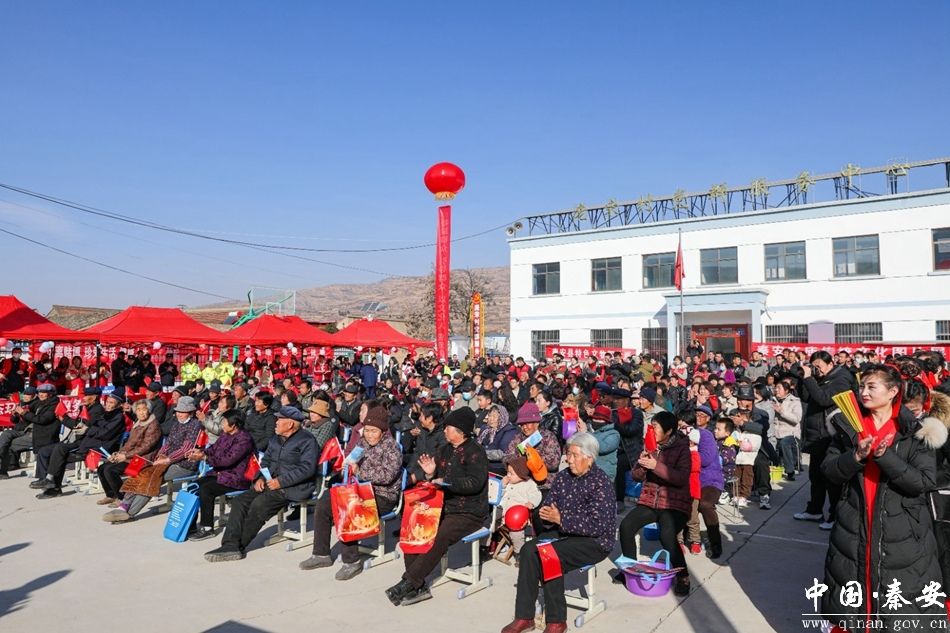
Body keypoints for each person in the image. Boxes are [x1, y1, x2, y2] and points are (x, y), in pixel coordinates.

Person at [819, 364, 945, 629]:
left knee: (898, 602)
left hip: (903, 532)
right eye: (861, 386)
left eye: (871, 386)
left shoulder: (914, 431)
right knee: (854, 594)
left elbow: (922, 482)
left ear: (893, 391)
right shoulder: (848, 426)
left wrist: (885, 457)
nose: (863, 392)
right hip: (854, 524)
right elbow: (829, 472)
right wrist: (855, 456)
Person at [501, 432, 615, 633]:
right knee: (528, 551)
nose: (568, 459)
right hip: (563, 532)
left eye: (574, 455)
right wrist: (545, 514)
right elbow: (550, 505)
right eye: (568, 454)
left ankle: (557, 621)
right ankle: (524, 617)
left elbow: (598, 525)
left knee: (549, 554)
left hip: (595, 541)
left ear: (589, 458)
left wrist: (561, 519)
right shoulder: (563, 477)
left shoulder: (601, 482)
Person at [385, 408, 488, 607]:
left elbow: (475, 483)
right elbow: (435, 474)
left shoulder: (476, 452)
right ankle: (419, 586)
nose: (445, 430)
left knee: (441, 536)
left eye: (449, 427)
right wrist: (431, 474)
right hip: (443, 505)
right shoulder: (445, 450)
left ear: (460, 431)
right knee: (415, 527)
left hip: (469, 511)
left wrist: (448, 482)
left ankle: (409, 582)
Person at [299, 406, 402, 580]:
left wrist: (359, 472)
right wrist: (345, 466)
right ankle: (321, 554)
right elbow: (352, 460)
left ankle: (351, 561)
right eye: (367, 430)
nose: (369, 435)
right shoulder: (363, 442)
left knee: (348, 507)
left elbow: (387, 476)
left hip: (382, 495)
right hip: (358, 488)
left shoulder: (392, 447)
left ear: (383, 431)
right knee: (324, 503)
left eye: (373, 431)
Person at [204, 406, 318, 562]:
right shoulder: (275, 439)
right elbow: (266, 461)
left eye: (279, 419)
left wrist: (280, 482)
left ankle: (238, 546)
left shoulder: (307, 441)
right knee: (239, 501)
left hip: (293, 487)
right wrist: (260, 478)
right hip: (270, 483)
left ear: (290, 424)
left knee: (259, 504)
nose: (276, 422)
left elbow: (307, 469)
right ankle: (229, 544)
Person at [616, 411, 692, 596]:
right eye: (651, 427)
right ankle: (630, 569)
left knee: (667, 535)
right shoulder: (650, 445)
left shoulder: (682, 449)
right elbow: (635, 476)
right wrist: (642, 465)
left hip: (674, 504)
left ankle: (683, 576)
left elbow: (681, 478)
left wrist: (656, 466)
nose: (651, 430)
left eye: (655, 427)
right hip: (650, 501)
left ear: (669, 431)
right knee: (626, 526)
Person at [103, 396, 202, 522]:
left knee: (152, 479)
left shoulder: (194, 425)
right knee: (140, 473)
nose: (179, 414)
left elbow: (185, 449)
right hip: (161, 460)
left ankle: (130, 513)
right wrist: (161, 455)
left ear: (191, 412)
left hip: (184, 464)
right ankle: (124, 506)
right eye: (178, 411)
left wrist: (167, 459)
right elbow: (168, 444)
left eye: (183, 412)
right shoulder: (176, 424)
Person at [798, 350, 857, 530]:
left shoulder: (841, 379)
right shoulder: (819, 378)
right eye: (814, 367)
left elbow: (823, 399)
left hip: (831, 436)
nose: (817, 370)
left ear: (831, 364)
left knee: (832, 478)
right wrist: (804, 378)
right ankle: (814, 510)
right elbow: (806, 397)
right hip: (817, 435)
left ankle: (834, 516)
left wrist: (810, 379)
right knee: (815, 476)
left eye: (819, 367)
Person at [33, 388, 126, 499]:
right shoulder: (105, 414)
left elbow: (104, 433)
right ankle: (51, 484)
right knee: (57, 454)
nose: (108, 405)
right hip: (88, 444)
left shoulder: (116, 416)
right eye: (107, 402)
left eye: (111, 403)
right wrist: (85, 426)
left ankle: (52, 484)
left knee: (60, 452)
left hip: (98, 448)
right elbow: (89, 427)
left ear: (118, 404)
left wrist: (86, 429)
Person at [186, 409, 255, 540]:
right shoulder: (225, 434)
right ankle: (190, 524)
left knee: (206, 490)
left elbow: (228, 460)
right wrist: (201, 452)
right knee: (193, 486)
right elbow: (213, 449)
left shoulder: (244, 440)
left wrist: (204, 458)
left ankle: (207, 528)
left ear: (233, 425)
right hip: (221, 473)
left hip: (236, 477)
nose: (221, 424)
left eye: (224, 422)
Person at [96, 399, 162, 506]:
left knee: (110, 470)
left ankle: (122, 498)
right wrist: (118, 454)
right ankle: (111, 495)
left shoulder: (153, 424)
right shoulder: (138, 423)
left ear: (149, 410)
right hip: (131, 456)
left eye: (144, 409)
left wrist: (125, 456)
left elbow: (145, 447)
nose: (141, 412)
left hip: (143, 459)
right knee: (102, 468)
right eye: (138, 410)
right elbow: (130, 444)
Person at [495, 454, 541, 561]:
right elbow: (497, 495)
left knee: (516, 534)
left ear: (521, 474)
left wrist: (532, 503)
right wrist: (502, 486)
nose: (508, 475)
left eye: (511, 473)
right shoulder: (507, 482)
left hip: (516, 518)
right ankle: (484, 546)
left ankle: (518, 552)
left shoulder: (529, 484)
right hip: (501, 513)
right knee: (488, 522)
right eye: (507, 472)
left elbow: (537, 495)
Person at [505, 402, 561, 487]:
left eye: (527, 423)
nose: (524, 427)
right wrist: (521, 460)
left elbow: (554, 463)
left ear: (537, 423)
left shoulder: (548, 437)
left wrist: (534, 457)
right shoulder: (518, 438)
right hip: (522, 481)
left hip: (544, 483)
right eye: (522, 424)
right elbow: (507, 457)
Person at [0, 386, 37, 477]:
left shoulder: (36, 404)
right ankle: (1, 453)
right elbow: (14, 421)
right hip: (19, 430)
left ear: (34, 396)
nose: (26, 396)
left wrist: (24, 413)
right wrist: (14, 415)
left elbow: (36, 419)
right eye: (25, 394)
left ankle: (8, 467)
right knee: (6, 434)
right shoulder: (21, 403)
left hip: (29, 431)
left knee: (10, 444)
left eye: (28, 395)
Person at [407, 403, 448, 484]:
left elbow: (436, 462)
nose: (419, 418)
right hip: (413, 471)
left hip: (428, 478)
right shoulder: (422, 429)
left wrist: (416, 476)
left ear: (430, 418)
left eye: (422, 416)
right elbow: (417, 453)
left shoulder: (443, 437)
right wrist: (409, 472)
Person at [771, 379, 802, 481]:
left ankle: (790, 471)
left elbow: (797, 419)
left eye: (779, 388)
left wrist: (781, 411)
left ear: (787, 390)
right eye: (775, 388)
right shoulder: (772, 400)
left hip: (791, 433)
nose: (776, 390)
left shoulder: (795, 401)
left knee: (784, 443)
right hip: (775, 432)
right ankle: (772, 468)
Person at [477, 403, 519, 475]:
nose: (491, 419)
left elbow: (502, 453)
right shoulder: (485, 429)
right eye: (490, 415)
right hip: (482, 463)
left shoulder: (509, 431)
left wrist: (481, 453)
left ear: (502, 417)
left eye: (495, 416)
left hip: (498, 467)